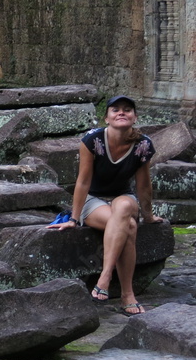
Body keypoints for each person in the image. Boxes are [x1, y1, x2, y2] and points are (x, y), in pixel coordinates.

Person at [48, 95, 162, 315]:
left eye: (127, 109)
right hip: (93, 199)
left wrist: (148, 216)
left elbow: (143, 185)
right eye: (115, 110)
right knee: (129, 226)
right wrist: (74, 219)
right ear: (107, 118)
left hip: (123, 197)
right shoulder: (93, 140)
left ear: (135, 117)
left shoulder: (143, 144)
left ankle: (105, 277)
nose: (121, 113)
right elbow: (83, 181)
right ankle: (127, 295)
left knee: (124, 208)